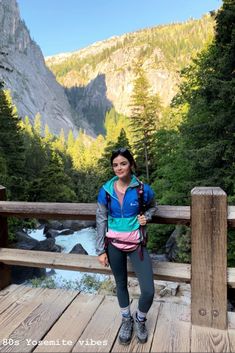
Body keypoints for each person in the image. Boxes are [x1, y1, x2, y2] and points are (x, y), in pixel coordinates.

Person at [96, 148, 158, 345]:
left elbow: (154, 206)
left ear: (131, 164)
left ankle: (140, 319)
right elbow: (100, 220)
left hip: (137, 245)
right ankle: (126, 320)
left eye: (123, 163)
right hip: (113, 245)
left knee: (148, 290)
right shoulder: (105, 191)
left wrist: (146, 217)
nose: (119, 168)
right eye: (115, 165)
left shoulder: (142, 189)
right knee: (120, 284)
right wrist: (100, 250)